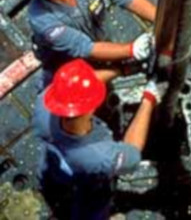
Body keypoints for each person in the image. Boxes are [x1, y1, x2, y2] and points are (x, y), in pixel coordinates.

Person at [33, 58, 166, 220]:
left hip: (51, 172)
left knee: (55, 191)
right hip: (86, 189)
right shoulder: (99, 156)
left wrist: (122, 71)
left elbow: (79, 86)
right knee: (92, 209)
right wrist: (149, 99)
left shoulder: (44, 103)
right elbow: (133, 150)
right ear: (90, 108)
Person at [11, 0, 157, 87]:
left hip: (97, 39)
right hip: (69, 65)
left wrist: (163, 22)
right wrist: (133, 50)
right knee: (76, 89)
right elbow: (85, 48)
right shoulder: (41, 19)